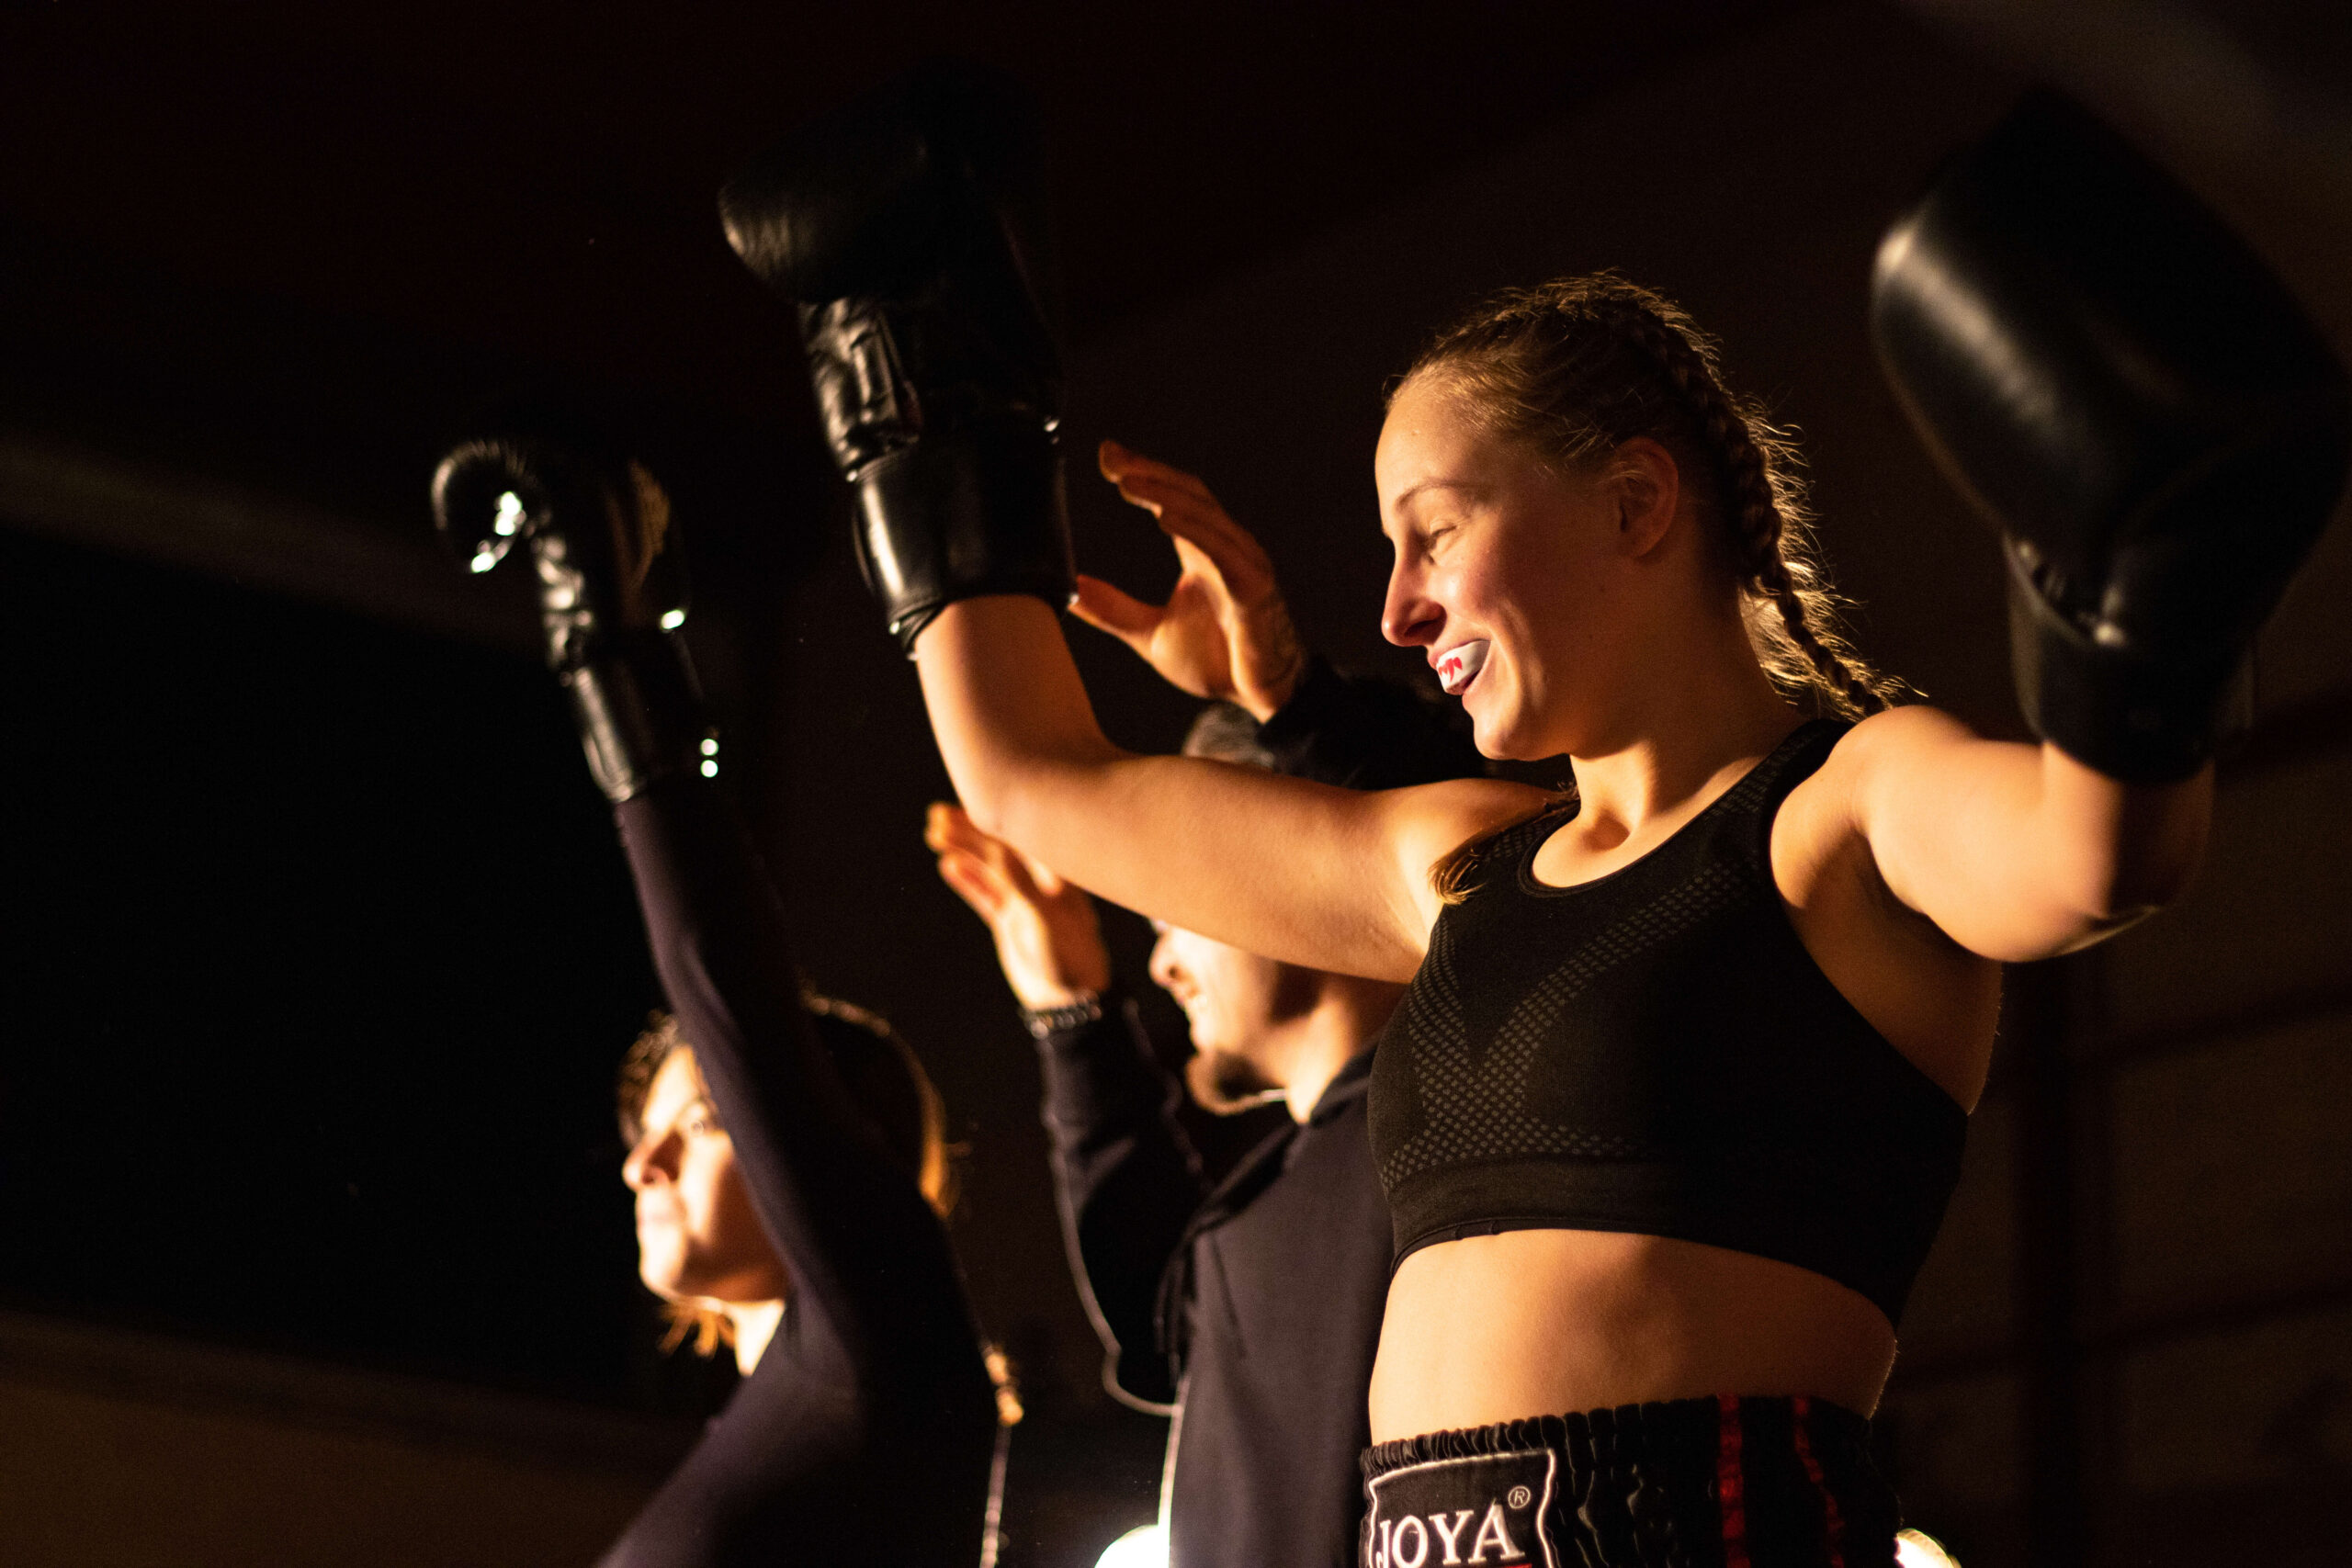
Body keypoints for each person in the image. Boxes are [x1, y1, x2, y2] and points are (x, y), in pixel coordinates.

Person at [723, 85, 2348, 1567]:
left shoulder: (1840, 807)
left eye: (1432, 533)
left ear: (1636, 503)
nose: (1396, 604)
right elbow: (1034, 781)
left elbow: (2100, 852)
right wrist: (924, 398)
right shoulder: (1458, 867)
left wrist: (2142, 609)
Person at [430, 432, 1000, 1568]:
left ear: (844, 1141)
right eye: (650, 1135)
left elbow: (730, 991)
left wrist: (607, 655)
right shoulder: (780, 1419)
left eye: (697, 1123)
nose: (640, 1166)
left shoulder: (883, 1346)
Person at [926, 455, 1484, 1568]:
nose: (1166, 956)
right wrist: (1075, 1019)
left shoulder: (1467, 1135)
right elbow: (1159, 1308)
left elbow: (1490, 882)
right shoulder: (1287, 1187)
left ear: (1296, 863)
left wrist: (1291, 702)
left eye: (1183, 896)